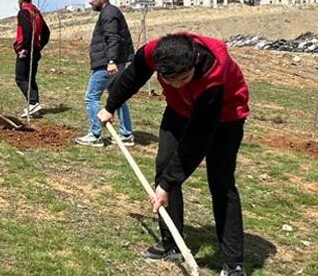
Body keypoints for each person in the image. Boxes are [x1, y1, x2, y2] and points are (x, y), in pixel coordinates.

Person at [98, 33, 250, 276]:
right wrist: (110, 106)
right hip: (179, 110)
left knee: (221, 181)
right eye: (173, 80)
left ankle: (233, 264)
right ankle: (172, 243)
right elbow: (134, 76)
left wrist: (168, 184)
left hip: (225, 116)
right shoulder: (153, 52)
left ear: (194, 61)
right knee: (164, 165)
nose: (180, 84)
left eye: (185, 78)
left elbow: (196, 140)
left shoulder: (213, 75)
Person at [75, 0, 134, 147]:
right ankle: (126, 134)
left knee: (91, 96)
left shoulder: (108, 13)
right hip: (115, 62)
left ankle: (95, 135)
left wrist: (111, 61)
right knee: (118, 97)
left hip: (107, 63)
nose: (90, 2)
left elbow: (112, 38)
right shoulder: (110, 12)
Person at [15, 0, 51, 118]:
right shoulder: (37, 13)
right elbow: (46, 33)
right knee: (31, 78)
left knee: (20, 78)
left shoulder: (24, 11)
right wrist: (39, 46)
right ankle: (35, 107)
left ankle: (33, 103)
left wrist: (24, 48)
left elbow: (27, 30)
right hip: (35, 48)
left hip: (26, 49)